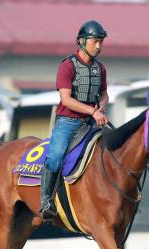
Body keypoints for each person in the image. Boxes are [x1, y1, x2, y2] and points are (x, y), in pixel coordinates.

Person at [40, 19, 110, 221]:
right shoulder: (67, 66)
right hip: (68, 122)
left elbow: (105, 94)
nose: (98, 46)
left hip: (91, 123)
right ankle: (46, 200)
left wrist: (102, 105)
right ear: (81, 41)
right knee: (54, 156)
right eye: (94, 41)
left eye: (101, 42)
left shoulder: (101, 69)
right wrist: (92, 111)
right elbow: (66, 99)